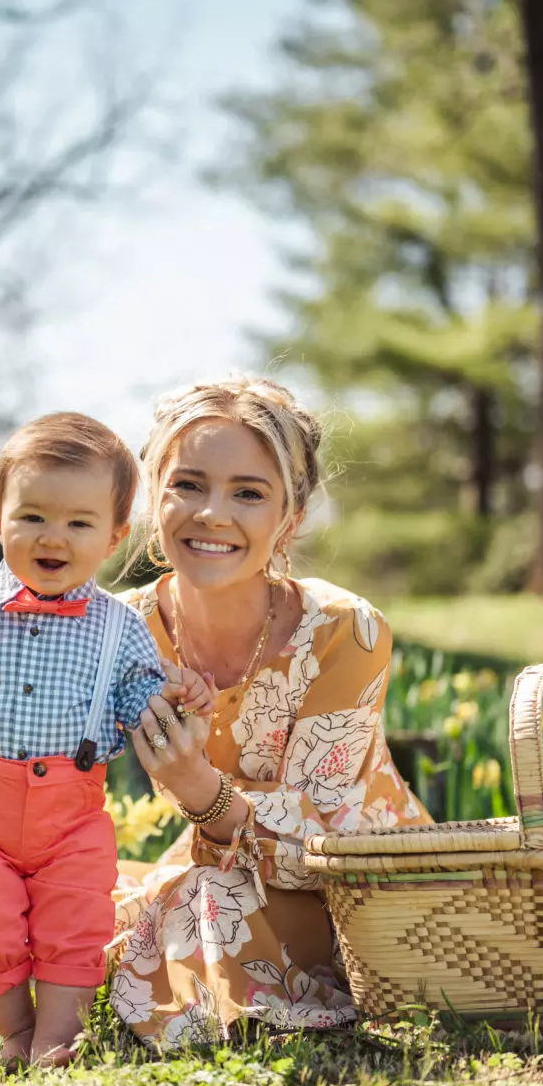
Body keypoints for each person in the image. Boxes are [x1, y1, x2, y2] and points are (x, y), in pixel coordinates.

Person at [0, 412, 210, 1069]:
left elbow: (139, 704)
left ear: (113, 536)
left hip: (72, 817)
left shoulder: (120, 629)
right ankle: (15, 1029)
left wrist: (176, 699)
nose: (53, 537)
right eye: (33, 518)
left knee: (73, 933)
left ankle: (55, 1039)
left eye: (79, 523)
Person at [110, 376, 432, 1049]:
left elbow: (319, 839)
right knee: (74, 900)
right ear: (154, 497)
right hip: (217, 863)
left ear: (292, 517)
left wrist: (200, 790)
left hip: (353, 889)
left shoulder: (343, 630)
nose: (212, 514)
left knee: (198, 908)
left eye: (248, 493)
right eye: (188, 485)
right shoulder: (124, 631)